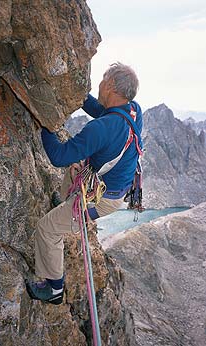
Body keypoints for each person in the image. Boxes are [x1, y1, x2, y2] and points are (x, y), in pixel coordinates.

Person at [26, 62, 143, 304]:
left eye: (102, 80)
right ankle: (67, 208)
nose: (99, 83)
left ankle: (53, 288)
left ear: (110, 85)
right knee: (74, 168)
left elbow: (58, 156)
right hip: (110, 188)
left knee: (46, 229)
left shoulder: (100, 129)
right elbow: (101, 110)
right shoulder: (133, 111)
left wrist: (46, 122)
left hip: (102, 200)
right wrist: (77, 94)